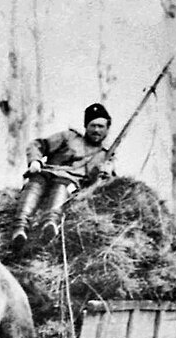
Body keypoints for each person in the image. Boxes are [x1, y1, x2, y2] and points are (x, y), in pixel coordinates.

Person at [10, 102, 114, 247]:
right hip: (48, 172)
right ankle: (19, 228)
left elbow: (107, 185)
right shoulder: (69, 137)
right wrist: (35, 161)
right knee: (36, 181)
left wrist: (105, 175)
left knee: (62, 185)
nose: (96, 130)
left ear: (107, 129)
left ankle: (50, 224)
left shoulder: (106, 155)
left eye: (101, 126)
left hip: (69, 183)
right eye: (93, 125)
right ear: (86, 126)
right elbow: (38, 145)